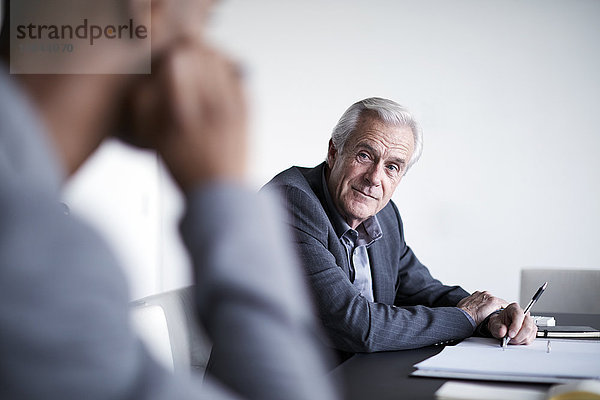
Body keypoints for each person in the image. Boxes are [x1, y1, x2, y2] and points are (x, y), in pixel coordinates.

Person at [0, 1, 338, 399]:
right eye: (205, 18)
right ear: (150, 11)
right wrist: (223, 188)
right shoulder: (34, 251)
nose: (213, 52)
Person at [263, 97, 537, 361]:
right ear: (334, 152)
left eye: (392, 167)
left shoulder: (385, 214)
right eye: (364, 155)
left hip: (357, 376)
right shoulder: (290, 202)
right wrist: (467, 317)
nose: (374, 178)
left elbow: (424, 291)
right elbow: (354, 324)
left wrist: (490, 317)